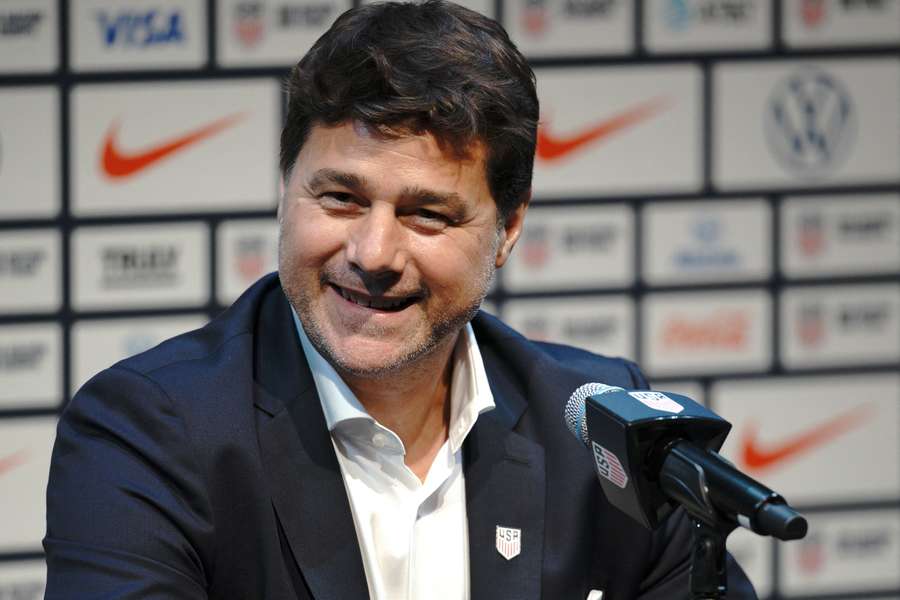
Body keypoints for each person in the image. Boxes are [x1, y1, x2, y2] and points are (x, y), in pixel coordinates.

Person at [44, 2, 757, 599]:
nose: (373, 253)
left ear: (508, 228)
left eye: (428, 215)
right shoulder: (146, 434)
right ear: (285, 187)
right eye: (341, 197)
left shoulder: (601, 430)